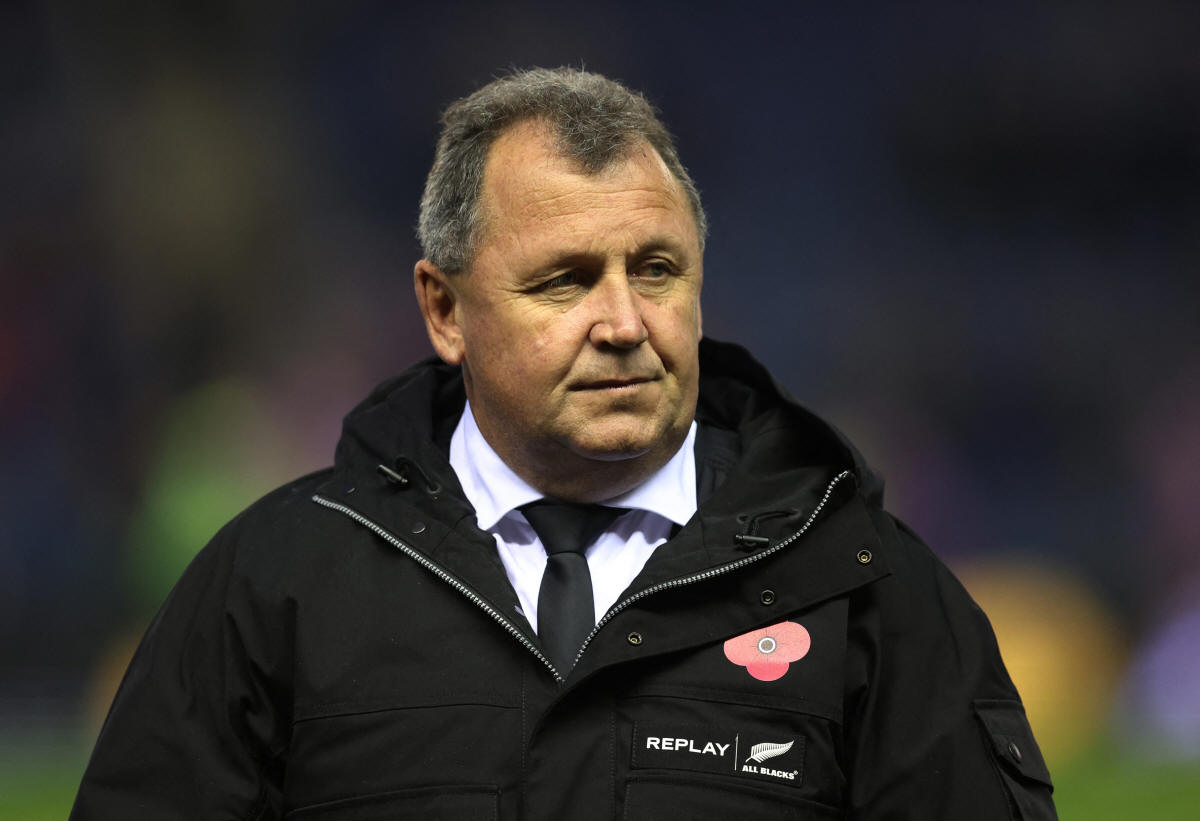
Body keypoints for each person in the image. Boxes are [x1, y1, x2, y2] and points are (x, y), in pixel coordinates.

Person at [72, 67, 1057, 820]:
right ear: (444, 309)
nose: (624, 322)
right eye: (565, 281)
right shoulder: (274, 586)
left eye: (657, 270)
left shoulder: (867, 587)